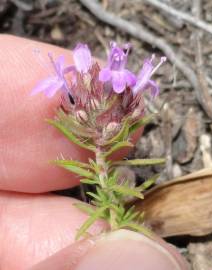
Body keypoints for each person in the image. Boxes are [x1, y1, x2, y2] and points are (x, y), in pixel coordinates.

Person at [0, 35, 188, 270]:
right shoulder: (96, 79)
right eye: (115, 60)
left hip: (107, 116)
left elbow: (120, 89)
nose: (117, 61)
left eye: (119, 61)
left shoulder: (117, 78)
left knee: (110, 214)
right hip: (90, 113)